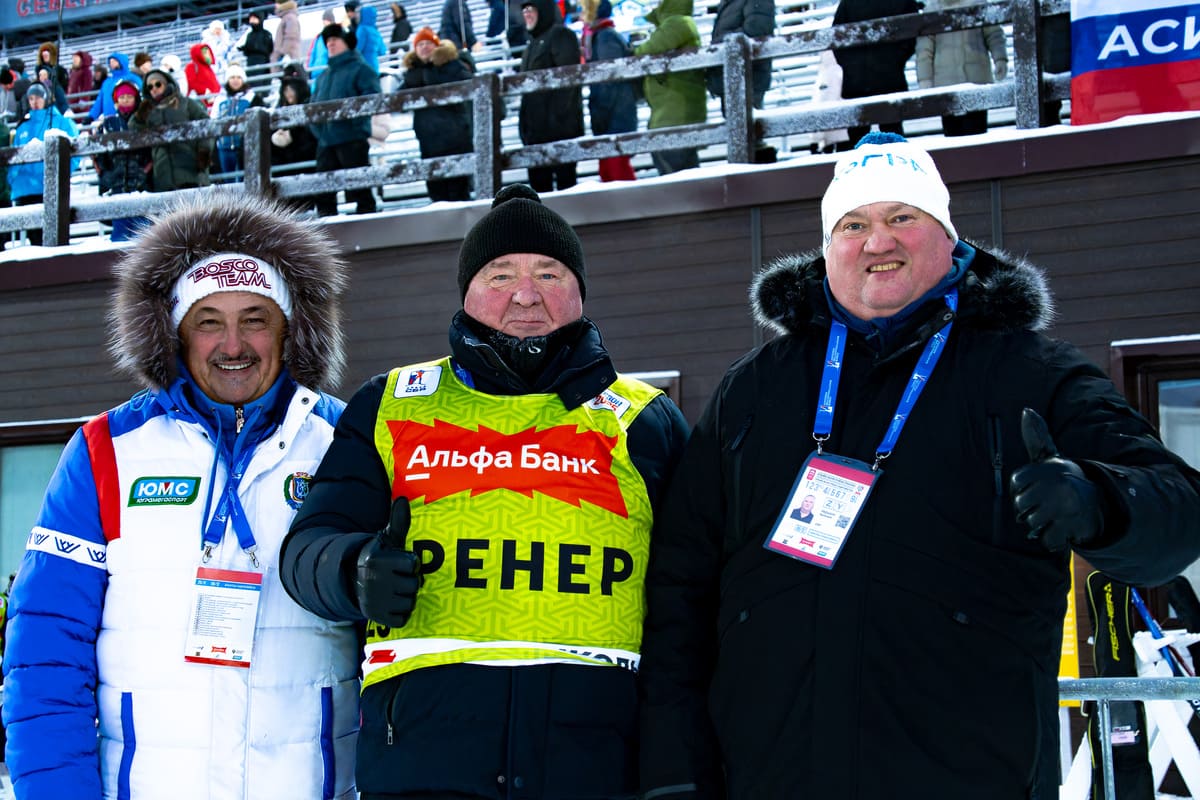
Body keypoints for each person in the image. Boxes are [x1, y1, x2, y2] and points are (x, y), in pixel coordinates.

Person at [636, 132, 1200, 799]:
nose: (878, 241)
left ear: (949, 238)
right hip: (767, 778)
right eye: (853, 224)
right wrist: (674, 775)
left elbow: (1179, 507)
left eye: (903, 216)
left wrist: (1100, 501)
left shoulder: (1031, 374)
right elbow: (680, 590)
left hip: (967, 779)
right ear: (827, 248)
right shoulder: (752, 390)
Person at [279, 182, 689, 799]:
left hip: (596, 763)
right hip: (425, 759)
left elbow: (691, 597)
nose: (526, 294)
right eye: (500, 275)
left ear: (579, 290)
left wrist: (678, 771)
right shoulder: (391, 403)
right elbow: (306, 547)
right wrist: (352, 570)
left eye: (549, 274)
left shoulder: (644, 418)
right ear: (467, 291)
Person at [1, 193, 360, 800]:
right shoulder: (105, 452)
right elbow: (45, 654)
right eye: (208, 321)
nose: (233, 345)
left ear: (291, 330)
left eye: (256, 318)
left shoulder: (348, 443)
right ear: (174, 333)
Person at [310, 23, 380, 216]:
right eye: (328, 41)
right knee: (323, 192)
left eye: (335, 39)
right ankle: (326, 229)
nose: (330, 44)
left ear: (346, 42)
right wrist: (320, 132)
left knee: (360, 188)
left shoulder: (361, 69)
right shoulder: (323, 77)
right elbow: (312, 108)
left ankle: (368, 223)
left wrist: (355, 126)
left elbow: (373, 98)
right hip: (326, 142)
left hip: (352, 139)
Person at [400, 27, 474, 202]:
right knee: (436, 194)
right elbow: (399, 100)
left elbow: (469, 85)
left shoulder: (452, 66)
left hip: (456, 138)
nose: (424, 47)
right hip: (428, 142)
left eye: (428, 43)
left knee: (458, 193)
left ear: (437, 46)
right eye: (420, 44)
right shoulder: (412, 74)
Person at [915, 1, 1008, 138]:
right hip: (946, 87)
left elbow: (994, 34)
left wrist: (1000, 59)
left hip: (976, 83)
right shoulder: (933, 10)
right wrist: (925, 79)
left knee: (978, 134)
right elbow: (924, 50)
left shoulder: (978, 4)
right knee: (953, 135)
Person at [832, 0, 919, 147]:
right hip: (886, 76)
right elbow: (912, 32)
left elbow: (835, 37)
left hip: (861, 78)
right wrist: (896, 60)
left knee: (860, 139)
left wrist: (850, 65)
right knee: (892, 137)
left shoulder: (848, 3)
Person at [518, 0, 584, 192]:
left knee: (566, 188)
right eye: (524, 10)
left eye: (531, 9)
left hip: (559, 132)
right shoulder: (531, 45)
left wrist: (557, 121)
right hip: (535, 135)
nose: (526, 14)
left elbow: (568, 83)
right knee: (539, 191)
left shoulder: (561, 36)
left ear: (544, 10)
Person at [634, 0, 706, 175]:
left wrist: (635, 50)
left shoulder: (678, 23)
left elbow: (644, 52)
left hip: (674, 114)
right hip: (673, 111)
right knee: (684, 175)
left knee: (676, 175)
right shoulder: (676, 23)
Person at [7, 83, 79, 247]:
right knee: (34, 239)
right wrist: (13, 178)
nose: (35, 102)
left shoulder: (61, 121)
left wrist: (62, 172)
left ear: (46, 98)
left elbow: (75, 150)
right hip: (25, 189)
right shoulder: (23, 127)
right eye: (31, 98)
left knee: (55, 236)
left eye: (38, 98)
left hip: (49, 186)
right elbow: (14, 156)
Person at [706, 0, 775, 161]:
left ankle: (756, 172)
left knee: (748, 134)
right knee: (740, 135)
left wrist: (723, 43)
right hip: (734, 76)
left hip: (748, 76)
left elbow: (757, 30)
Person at [581, 0, 638, 182]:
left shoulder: (605, 37)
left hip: (614, 116)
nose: (582, 15)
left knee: (617, 174)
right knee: (610, 173)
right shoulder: (600, 35)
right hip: (612, 115)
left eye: (585, 9)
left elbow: (609, 79)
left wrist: (601, 115)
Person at [131, 68, 213, 192]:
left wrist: (204, 151)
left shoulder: (186, 103)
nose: (154, 89)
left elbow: (207, 125)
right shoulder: (148, 110)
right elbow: (134, 127)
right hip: (163, 175)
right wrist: (140, 114)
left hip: (192, 171)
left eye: (158, 84)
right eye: (150, 87)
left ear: (167, 84)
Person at [93, 80, 152, 241]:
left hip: (141, 186)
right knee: (119, 237)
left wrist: (144, 171)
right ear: (116, 101)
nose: (125, 100)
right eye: (122, 97)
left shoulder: (143, 123)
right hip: (116, 186)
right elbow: (98, 155)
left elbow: (151, 152)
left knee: (145, 235)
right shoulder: (108, 124)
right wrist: (106, 175)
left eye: (129, 97)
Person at [211, 64, 266, 180]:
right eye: (232, 77)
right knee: (228, 181)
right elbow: (213, 119)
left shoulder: (252, 98)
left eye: (238, 77)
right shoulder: (220, 99)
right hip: (224, 147)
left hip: (245, 146)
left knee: (245, 179)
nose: (235, 80)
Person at [89, 53, 141, 123]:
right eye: (110, 62)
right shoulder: (107, 82)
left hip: (129, 118)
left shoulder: (133, 78)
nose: (112, 64)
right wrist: (91, 116)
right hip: (110, 119)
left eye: (114, 61)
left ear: (121, 62)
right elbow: (99, 101)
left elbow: (141, 95)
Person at [238, 10, 275, 85]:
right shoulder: (249, 35)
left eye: (254, 18)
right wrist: (245, 48)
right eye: (251, 19)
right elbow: (247, 51)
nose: (252, 21)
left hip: (263, 64)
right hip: (251, 63)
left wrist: (254, 48)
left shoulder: (266, 34)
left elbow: (269, 50)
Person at [186, 42, 221, 108]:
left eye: (209, 52)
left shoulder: (208, 67)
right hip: (202, 102)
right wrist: (205, 91)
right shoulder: (191, 67)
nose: (208, 55)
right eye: (205, 53)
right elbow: (191, 83)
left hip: (214, 100)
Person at [356, 5, 388, 73]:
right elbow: (382, 51)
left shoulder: (362, 29)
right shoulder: (375, 31)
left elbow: (358, 49)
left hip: (364, 66)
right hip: (375, 65)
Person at [272, 0, 304, 67]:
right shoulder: (287, 18)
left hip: (288, 61)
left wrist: (282, 54)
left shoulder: (289, 18)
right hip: (287, 59)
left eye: (277, 3)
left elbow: (291, 38)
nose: (275, 5)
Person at [67, 50, 95, 115]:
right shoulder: (73, 72)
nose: (74, 60)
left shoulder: (86, 72)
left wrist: (83, 99)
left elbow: (87, 86)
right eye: (74, 59)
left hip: (80, 103)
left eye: (76, 58)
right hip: (72, 102)